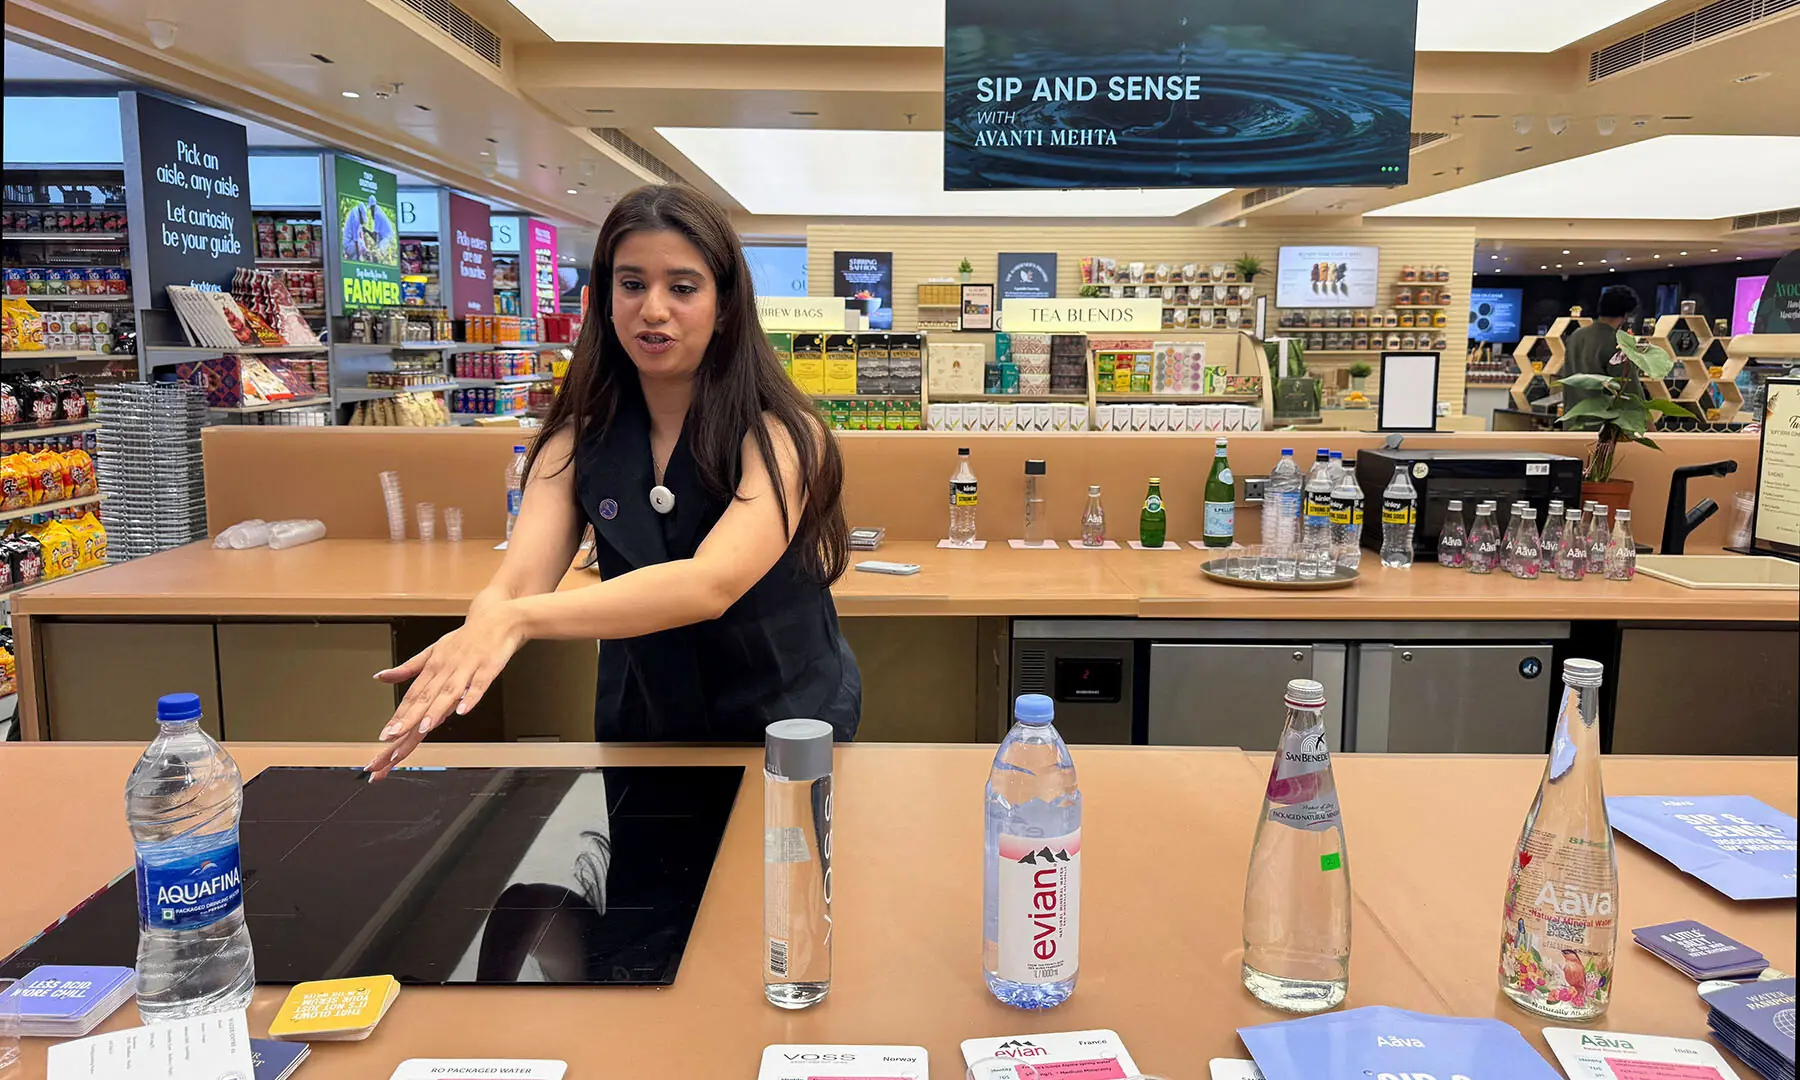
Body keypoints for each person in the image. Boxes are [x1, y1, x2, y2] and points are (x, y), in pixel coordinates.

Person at [366, 185, 860, 779]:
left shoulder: (782, 434)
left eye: (682, 287)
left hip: (782, 722)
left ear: (725, 304)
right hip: (645, 726)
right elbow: (518, 583)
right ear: (602, 299)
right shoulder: (578, 439)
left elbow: (710, 584)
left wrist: (517, 620)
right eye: (632, 284)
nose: (653, 310)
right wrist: (484, 623)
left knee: (778, 872)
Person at [1560, 285, 1640, 414]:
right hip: (1603, 425)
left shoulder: (1576, 335)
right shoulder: (1617, 342)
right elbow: (1630, 392)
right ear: (1626, 315)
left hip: (1573, 420)